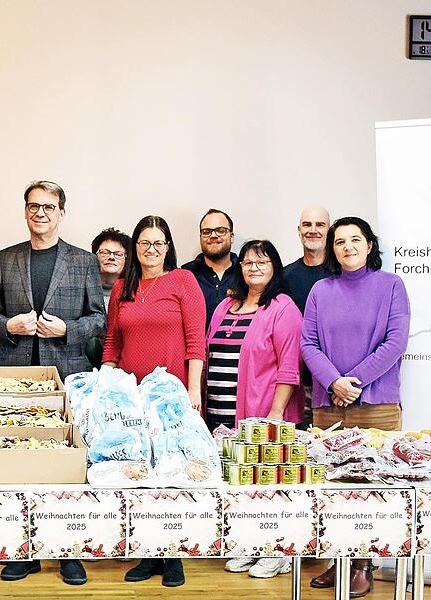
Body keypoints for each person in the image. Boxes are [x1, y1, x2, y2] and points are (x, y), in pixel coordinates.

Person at [0, 180, 104, 586]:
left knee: (70, 465)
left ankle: (70, 552)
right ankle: (26, 550)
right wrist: (9, 325)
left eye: (49, 207)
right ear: (25, 211)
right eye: (34, 206)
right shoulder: (6, 257)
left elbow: (98, 319)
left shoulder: (83, 261)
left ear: (61, 213)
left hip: (68, 375)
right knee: (21, 463)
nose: (40, 213)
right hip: (19, 376)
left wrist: (66, 329)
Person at [302, 216, 410, 598]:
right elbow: (308, 344)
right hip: (329, 405)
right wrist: (334, 382)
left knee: (373, 488)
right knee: (331, 488)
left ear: (369, 246)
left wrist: (353, 383)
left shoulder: (391, 286)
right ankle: (337, 558)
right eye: (340, 241)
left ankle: (364, 563)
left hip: (377, 405)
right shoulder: (320, 290)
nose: (347, 247)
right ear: (333, 249)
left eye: (355, 240)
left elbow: (395, 343)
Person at [101, 215, 205, 588]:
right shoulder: (121, 288)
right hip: (130, 398)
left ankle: (173, 556)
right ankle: (148, 552)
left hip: (172, 397)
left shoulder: (182, 281)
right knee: (140, 469)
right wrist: (105, 389)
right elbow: (112, 342)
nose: (151, 250)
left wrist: (193, 391)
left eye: (159, 243)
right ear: (135, 248)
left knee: (173, 471)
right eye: (144, 243)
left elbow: (196, 341)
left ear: (168, 247)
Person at [204, 240, 303, 579]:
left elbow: (290, 367)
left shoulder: (282, 307)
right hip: (220, 413)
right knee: (240, 484)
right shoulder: (225, 307)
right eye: (246, 262)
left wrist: (277, 414)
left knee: (270, 486)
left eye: (261, 261)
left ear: (274, 266)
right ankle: (251, 544)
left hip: (263, 415)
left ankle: (279, 550)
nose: (253, 268)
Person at [284, 206, 331, 426]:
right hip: (298, 384)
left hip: (334, 382)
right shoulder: (284, 276)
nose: (313, 230)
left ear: (329, 230)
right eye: (307, 225)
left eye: (320, 225)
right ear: (299, 230)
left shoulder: (341, 273)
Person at [181, 208, 239, 328]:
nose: (213, 235)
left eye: (221, 230)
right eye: (207, 231)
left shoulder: (245, 273)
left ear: (232, 236)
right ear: (200, 237)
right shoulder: (186, 274)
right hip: (198, 346)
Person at [86, 227, 130, 367]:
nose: (111, 257)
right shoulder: (82, 290)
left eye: (118, 254)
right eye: (104, 253)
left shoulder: (134, 292)